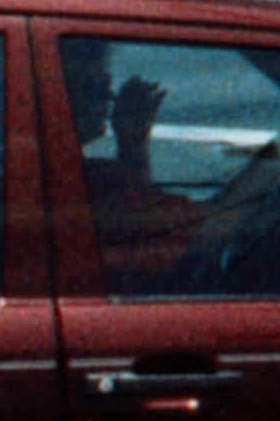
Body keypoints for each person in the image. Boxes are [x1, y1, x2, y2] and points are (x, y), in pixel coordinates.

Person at [60, 41, 202, 287]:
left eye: (106, 86)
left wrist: (133, 144)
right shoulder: (94, 180)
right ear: (59, 95)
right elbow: (206, 227)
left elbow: (137, 211)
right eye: (95, 87)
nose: (110, 97)